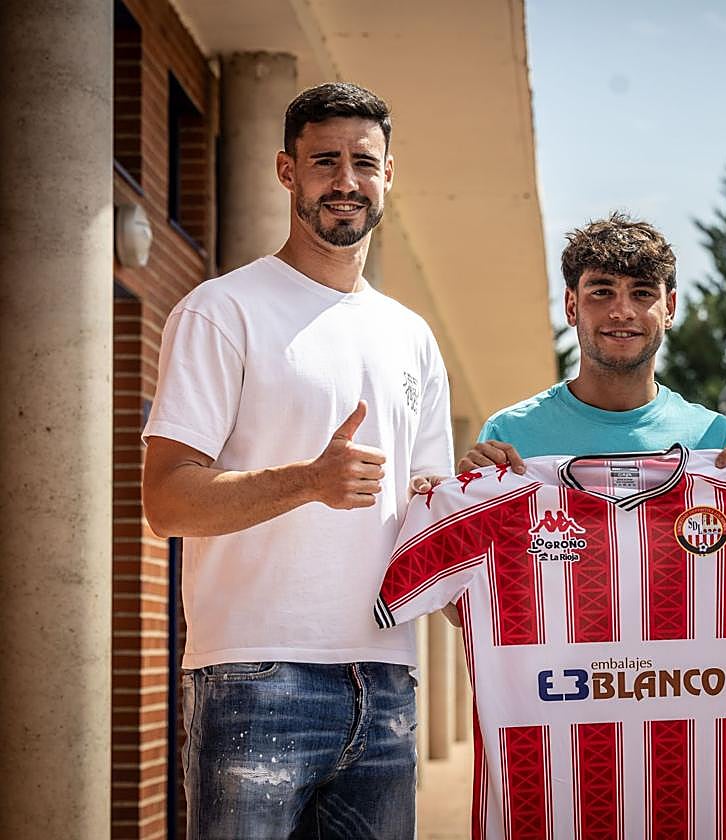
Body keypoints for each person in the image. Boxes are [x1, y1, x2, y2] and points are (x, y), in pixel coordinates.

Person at [142, 82, 452, 839]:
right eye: (324, 161)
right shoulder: (222, 310)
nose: (346, 181)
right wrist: (306, 481)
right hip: (254, 674)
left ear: (389, 176)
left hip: (386, 678)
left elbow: (431, 503)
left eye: (363, 163)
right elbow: (167, 501)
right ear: (287, 172)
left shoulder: (410, 335)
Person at [454, 212, 726, 476]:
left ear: (669, 308)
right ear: (571, 306)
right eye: (602, 292)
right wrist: (468, 488)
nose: (622, 311)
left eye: (642, 293)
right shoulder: (509, 435)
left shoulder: (715, 440)